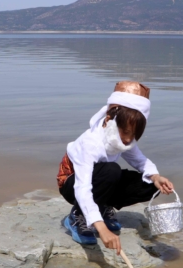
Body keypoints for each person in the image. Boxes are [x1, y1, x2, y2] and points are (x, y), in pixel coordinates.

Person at [58, 81, 175, 254]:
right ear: (110, 120)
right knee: (111, 170)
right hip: (71, 183)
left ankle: (102, 206)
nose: (128, 139)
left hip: (100, 180)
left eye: (134, 134)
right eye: (126, 132)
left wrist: (156, 176)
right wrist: (102, 229)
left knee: (150, 186)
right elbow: (82, 188)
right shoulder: (91, 143)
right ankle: (77, 216)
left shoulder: (121, 139)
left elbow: (139, 160)